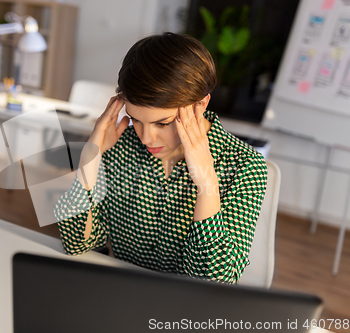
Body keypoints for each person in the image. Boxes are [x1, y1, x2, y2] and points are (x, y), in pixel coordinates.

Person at [54, 32, 267, 284]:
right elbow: (77, 243)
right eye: (135, 120)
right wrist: (91, 156)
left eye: (162, 123)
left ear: (201, 104)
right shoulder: (121, 146)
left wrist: (206, 181)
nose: (146, 138)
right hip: (123, 295)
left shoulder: (244, 167)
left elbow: (214, 281)